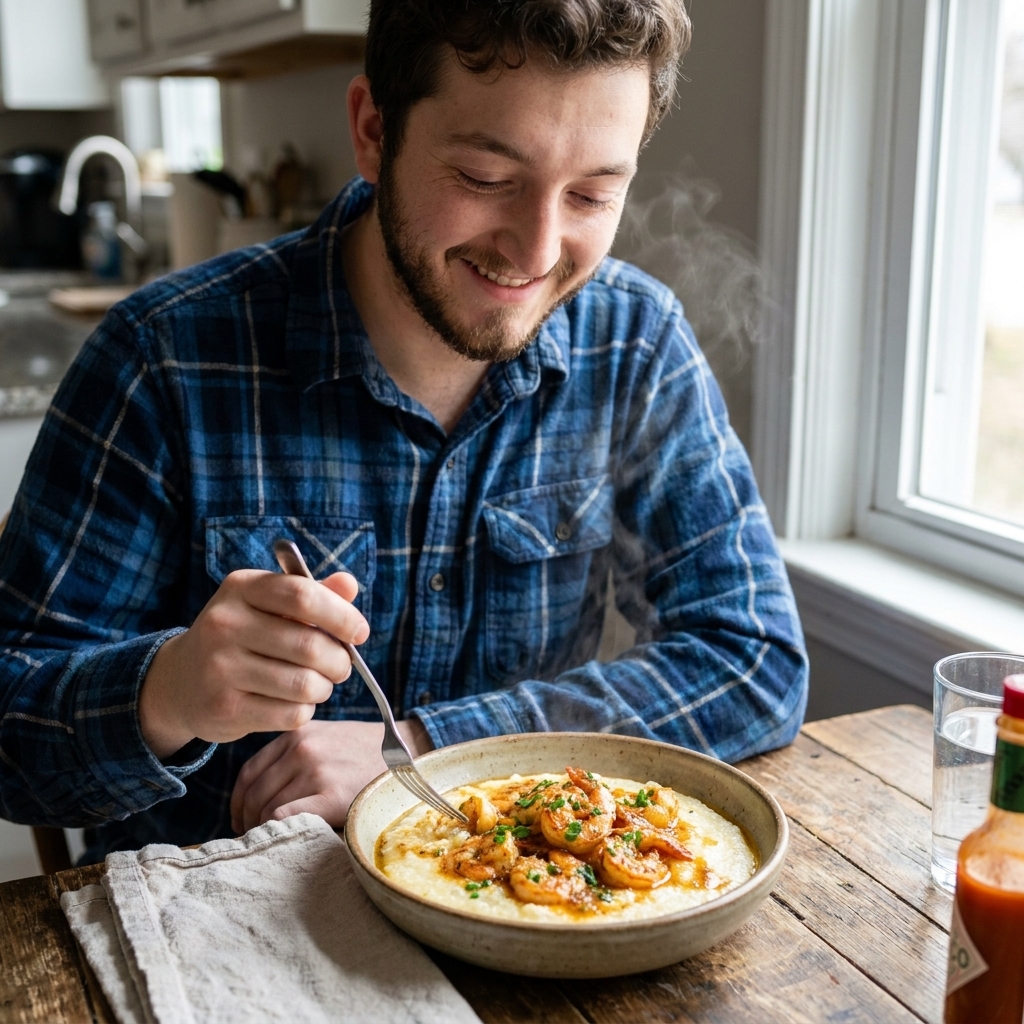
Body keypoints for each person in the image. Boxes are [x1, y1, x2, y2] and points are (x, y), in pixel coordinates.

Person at [0, 0, 807, 861]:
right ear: (374, 130)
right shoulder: (162, 358)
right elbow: (12, 738)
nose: (537, 249)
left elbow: (751, 659)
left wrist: (428, 747)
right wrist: (169, 691)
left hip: (521, 929)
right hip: (215, 936)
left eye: (592, 193)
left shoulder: (636, 342)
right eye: (487, 179)